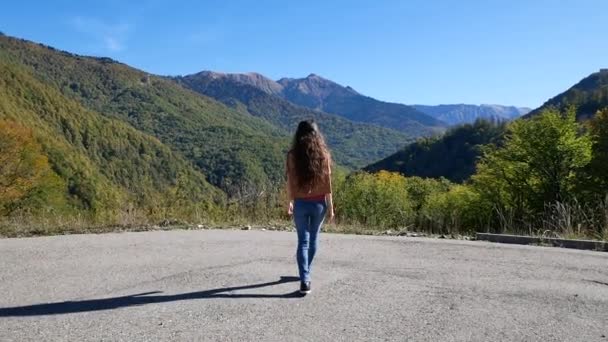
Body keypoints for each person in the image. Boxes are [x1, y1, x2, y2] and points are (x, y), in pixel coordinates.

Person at [286, 120, 335, 295]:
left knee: (303, 242)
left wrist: (289, 201)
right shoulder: (323, 155)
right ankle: (305, 271)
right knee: (313, 239)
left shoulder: (292, 155)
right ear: (317, 134)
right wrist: (331, 207)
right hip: (319, 204)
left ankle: (304, 278)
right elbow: (327, 183)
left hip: (300, 203)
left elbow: (290, 181)